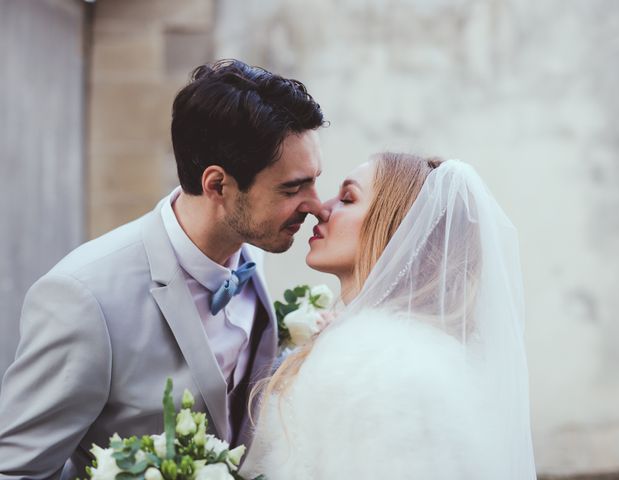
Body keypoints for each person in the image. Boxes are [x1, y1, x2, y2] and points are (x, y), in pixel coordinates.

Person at [0, 59, 327, 479]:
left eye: (313, 180)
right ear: (218, 186)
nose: (317, 205)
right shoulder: (84, 297)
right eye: (292, 188)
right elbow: (15, 471)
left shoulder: (252, 248)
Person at [241, 153, 537, 479]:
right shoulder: (408, 349)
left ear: (396, 230)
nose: (321, 208)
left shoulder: (377, 362)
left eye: (348, 198)